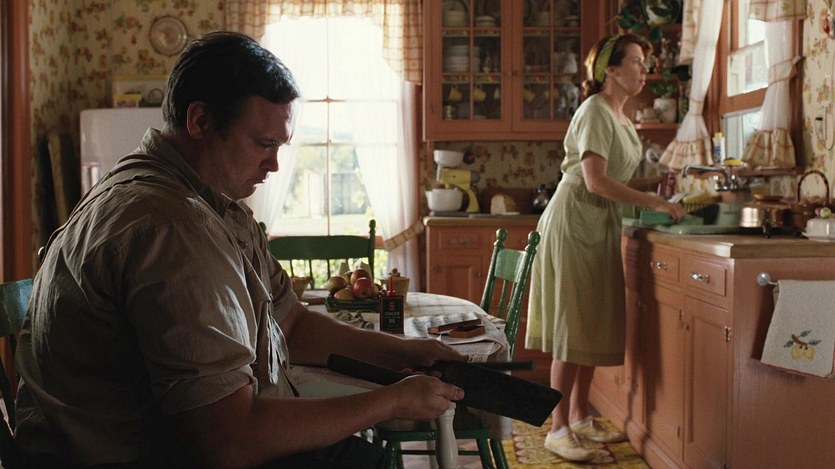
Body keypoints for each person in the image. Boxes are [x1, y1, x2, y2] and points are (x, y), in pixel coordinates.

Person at [14, 31, 466, 469]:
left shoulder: (206, 199)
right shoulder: (170, 226)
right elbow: (229, 442)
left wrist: (401, 352)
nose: (274, 164)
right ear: (200, 121)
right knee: (361, 459)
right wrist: (392, 401)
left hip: (171, 443)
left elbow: (291, 323)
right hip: (123, 458)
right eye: (263, 144)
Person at [525, 34, 686, 462]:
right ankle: (558, 428)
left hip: (597, 224)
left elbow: (613, 178)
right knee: (573, 324)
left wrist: (653, 185)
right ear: (610, 70)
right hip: (575, 221)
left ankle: (579, 417)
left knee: (589, 324)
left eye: (644, 62)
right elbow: (595, 182)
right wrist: (654, 202)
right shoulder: (595, 109)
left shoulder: (620, 116)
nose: (644, 69)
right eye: (636, 61)